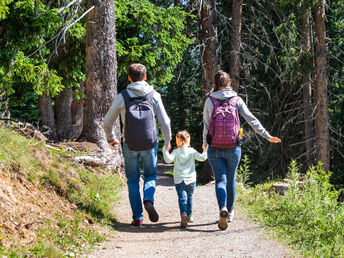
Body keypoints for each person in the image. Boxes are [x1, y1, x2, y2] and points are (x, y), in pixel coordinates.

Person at [202, 70, 281, 230]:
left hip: (215, 148)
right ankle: (230, 212)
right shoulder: (236, 100)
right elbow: (252, 119)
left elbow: (206, 124)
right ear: (229, 84)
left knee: (220, 180)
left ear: (215, 85)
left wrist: (205, 143)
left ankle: (222, 208)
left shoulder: (210, 100)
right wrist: (267, 136)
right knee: (230, 180)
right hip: (233, 147)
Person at [104, 63, 172, 227]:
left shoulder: (122, 96)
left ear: (129, 77)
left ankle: (138, 217)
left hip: (130, 144)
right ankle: (148, 199)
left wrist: (111, 138)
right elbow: (165, 122)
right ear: (145, 77)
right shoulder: (154, 95)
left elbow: (107, 121)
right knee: (150, 175)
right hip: (149, 143)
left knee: (133, 180)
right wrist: (168, 141)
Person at [163, 130, 207, 228]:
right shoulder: (192, 151)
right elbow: (203, 158)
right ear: (188, 140)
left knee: (182, 198)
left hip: (179, 179)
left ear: (178, 141)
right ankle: (190, 216)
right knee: (190, 198)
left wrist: (165, 150)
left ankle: (183, 214)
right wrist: (205, 149)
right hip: (191, 180)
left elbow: (168, 160)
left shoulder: (175, 152)